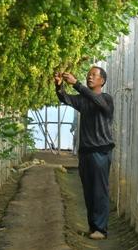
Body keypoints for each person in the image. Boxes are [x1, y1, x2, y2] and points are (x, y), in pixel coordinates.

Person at [54, 66, 114, 241]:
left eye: (94, 75)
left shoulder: (106, 99)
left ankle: (101, 229)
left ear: (102, 81)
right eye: (88, 75)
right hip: (86, 152)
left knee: (99, 191)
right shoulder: (83, 100)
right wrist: (59, 86)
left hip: (100, 151)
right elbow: (65, 98)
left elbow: (98, 102)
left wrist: (76, 84)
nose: (90, 77)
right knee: (89, 191)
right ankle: (93, 227)